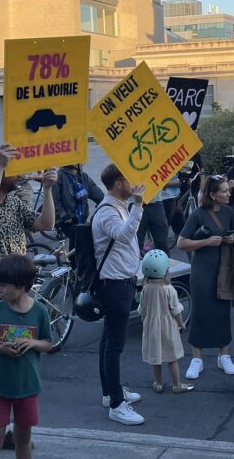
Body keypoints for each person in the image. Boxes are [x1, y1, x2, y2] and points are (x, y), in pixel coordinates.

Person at [0, 146, 57, 452]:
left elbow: (45, 225)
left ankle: (8, 429)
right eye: (13, 168)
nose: (20, 172)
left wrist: (48, 190)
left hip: (20, 291)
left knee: (15, 359)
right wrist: (1, 167)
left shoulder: (16, 201)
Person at [0, 254, 52, 459]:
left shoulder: (39, 311)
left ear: (21, 286)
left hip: (27, 386)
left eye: (3, 285)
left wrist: (33, 343)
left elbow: (48, 343)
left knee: (23, 438)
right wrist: (1, 349)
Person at [91, 164, 146, 426]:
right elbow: (124, 236)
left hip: (121, 282)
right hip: (114, 285)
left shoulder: (118, 208)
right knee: (114, 344)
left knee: (108, 339)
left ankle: (109, 392)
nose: (133, 183)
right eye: (129, 179)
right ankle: (116, 403)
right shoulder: (107, 212)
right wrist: (139, 205)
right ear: (119, 183)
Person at [178, 174, 234, 380]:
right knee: (200, 311)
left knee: (223, 310)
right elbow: (181, 243)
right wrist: (205, 242)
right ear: (213, 195)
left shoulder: (230, 212)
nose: (228, 193)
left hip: (224, 268)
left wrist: (233, 239)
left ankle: (225, 355)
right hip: (202, 269)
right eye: (224, 191)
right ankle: (197, 358)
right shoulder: (197, 214)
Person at [138, 249, 193, 394]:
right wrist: (182, 324)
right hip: (168, 327)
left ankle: (158, 383)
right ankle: (177, 384)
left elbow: (142, 310)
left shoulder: (145, 289)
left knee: (155, 358)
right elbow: (176, 310)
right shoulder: (169, 289)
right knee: (172, 358)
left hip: (151, 327)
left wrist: (146, 322)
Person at [53, 164, 104, 231]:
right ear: (73, 162)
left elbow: (98, 194)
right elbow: (54, 199)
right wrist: (63, 215)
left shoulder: (83, 176)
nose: (83, 163)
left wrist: (104, 204)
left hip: (82, 218)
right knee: (78, 238)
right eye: (81, 161)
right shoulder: (59, 176)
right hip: (67, 219)